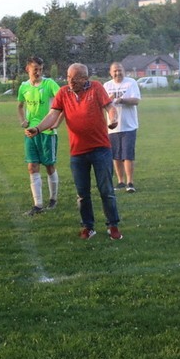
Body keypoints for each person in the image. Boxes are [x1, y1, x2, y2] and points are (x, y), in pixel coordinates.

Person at [26, 63, 123, 240]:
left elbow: (110, 108)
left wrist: (113, 119)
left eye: (75, 78)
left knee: (106, 190)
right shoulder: (64, 92)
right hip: (78, 151)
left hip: (100, 149)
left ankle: (113, 225)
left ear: (85, 78)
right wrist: (38, 129)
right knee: (82, 193)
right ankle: (88, 227)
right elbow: (53, 115)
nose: (70, 81)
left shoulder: (96, 88)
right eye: (69, 77)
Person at [17, 56, 62, 215]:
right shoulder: (24, 87)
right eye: (35, 69)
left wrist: (57, 122)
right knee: (32, 166)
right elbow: (20, 106)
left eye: (41, 69)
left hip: (47, 132)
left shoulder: (49, 84)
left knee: (49, 165)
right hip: (30, 132)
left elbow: (64, 101)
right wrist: (23, 121)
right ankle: (38, 205)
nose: (38, 72)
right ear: (27, 69)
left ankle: (53, 199)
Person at [103, 61, 141, 193]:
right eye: (115, 71)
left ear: (124, 71)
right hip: (113, 126)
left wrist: (122, 100)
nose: (117, 73)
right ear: (110, 73)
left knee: (127, 155)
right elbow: (102, 104)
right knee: (116, 156)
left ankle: (130, 182)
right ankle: (120, 182)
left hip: (129, 126)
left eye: (120, 70)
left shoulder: (131, 83)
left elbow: (136, 100)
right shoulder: (106, 86)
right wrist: (109, 100)